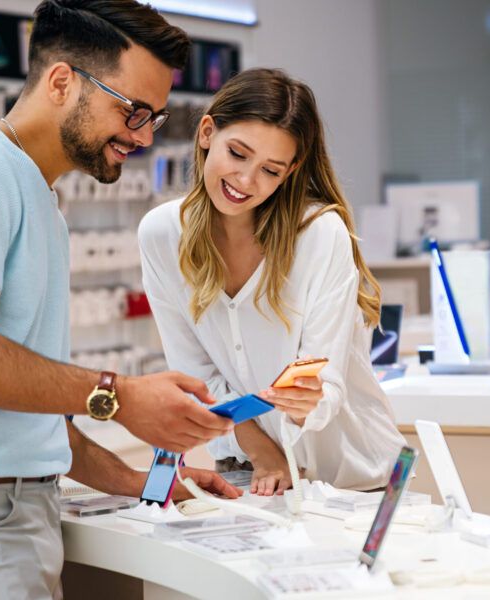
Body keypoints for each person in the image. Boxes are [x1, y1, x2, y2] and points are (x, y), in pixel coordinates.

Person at [0, 2, 239, 598]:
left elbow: (29, 414)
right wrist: (120, 398)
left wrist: (143, 481)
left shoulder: (39, 200)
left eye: (156, 116)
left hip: (10, 516)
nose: (144, 136)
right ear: (62, 81)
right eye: (133, 110)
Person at [138, 68, 406, 494]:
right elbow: (195, 376)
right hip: (247, 472)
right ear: (207, 133)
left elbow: (327, 387)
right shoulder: (161, 235)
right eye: (238, 154)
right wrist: (263, 453)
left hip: (352, 480)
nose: (246, 181)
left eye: (270, 170)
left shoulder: (319, 233)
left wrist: (306, 401)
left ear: (291, 171)